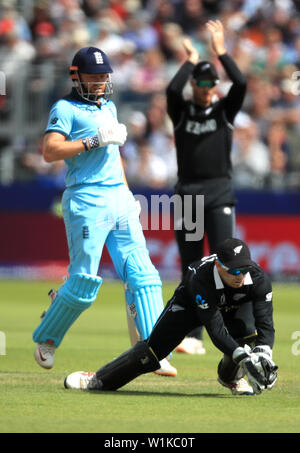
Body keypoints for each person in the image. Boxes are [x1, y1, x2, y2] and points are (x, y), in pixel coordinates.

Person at [32, 46, 176, 377]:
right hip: (86, 199)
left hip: (119, 198)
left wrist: (127, 195)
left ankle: (157, 349)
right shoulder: (64, 108)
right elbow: (50, 151)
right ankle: (48, 338)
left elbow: (113, 157)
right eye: (93, 77)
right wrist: (91, 142)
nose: (99, 83)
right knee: (83, 282)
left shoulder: (109, 106)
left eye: (103, 77)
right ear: (76, 76)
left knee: (143, 274)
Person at [64, 238, 278, 396]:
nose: (240, 276)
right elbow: (215, 329)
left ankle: (231, 377)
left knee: (249, 331)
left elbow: (266, 323)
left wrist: (264, 355)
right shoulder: (199, 276)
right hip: (189, 307)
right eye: (234, 271)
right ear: (219, 266)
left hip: (230, 307)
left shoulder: (258, 279)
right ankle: (97, 379)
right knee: (150, 353)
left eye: (244, 270)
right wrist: (244, 358)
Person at [166, 20, 247, 355]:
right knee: (191, 265)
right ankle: (194, 336)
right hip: (187, 193)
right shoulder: (182, 111)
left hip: (219, 193)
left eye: (212, 82)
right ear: (194, 84)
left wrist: (220, 51)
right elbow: (172, 90)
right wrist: (191, 59)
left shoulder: (224, 110)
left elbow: (240, 82)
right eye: (201, 81)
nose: (208, 87)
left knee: (226, 262)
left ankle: (234, 330)